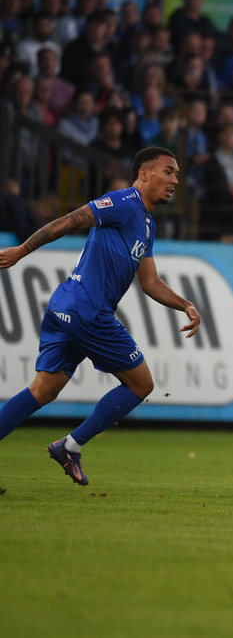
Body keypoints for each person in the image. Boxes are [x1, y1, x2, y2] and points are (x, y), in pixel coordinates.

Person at [0, 147, 201, 485]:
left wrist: (186, 305)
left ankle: (69, 446)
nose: (175, 180)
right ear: (144, 173)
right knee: (141, 384)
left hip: (67, 307)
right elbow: (70, 220)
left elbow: (149, 282)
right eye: (169, 171)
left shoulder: (147, 225)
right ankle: (70, 446)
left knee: (42, 390)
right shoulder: (124, 202)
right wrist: (22, 250)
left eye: (177, 174)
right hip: (87, 310)